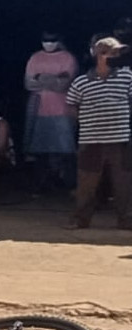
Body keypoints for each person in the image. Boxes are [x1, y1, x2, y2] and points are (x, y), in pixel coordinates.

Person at [65, 37, 132, 230]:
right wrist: (86, 122)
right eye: (113, 53)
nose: (116, 57)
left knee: (124, 182)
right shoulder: (81, 82)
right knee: (87, 182)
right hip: (91, 139)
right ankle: (81, 219)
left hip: (120, 139)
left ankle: (126, 219)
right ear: (100, 56)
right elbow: (71, 105)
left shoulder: (127, 76)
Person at [24, 31, 78, 194]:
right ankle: (41, 184)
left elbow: (65, 85)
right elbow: (28, 84)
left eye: (52, 40)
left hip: (63, 109)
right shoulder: (34, 58)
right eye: (45, 40)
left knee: (66, 150)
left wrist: (41, 77)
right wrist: (55, 78)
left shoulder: (68, 58)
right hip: (38, 110)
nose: (48, 43)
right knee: (40, 151)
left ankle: (67, 184)